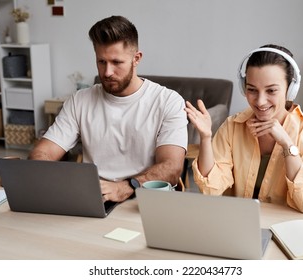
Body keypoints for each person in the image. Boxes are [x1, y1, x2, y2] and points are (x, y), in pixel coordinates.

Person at [29, 15, 188, 203]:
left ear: (136, 59)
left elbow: (172, 167)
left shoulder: (167, 101)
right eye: (101, 62)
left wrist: (127, 186)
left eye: (116, 62)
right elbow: (42, 153)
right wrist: (57, 180)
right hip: (94, 198)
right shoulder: (80, 101)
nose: (107, 72)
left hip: (144, 198)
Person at [185, 44, 303, 213]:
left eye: (271, 90)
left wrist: (287, 144)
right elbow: (211, 190)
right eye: (252, 90)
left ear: (291, 90)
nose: (260, 101)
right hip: (240, 224)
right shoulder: (232, 127)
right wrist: (205, 138)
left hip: (287, 226)